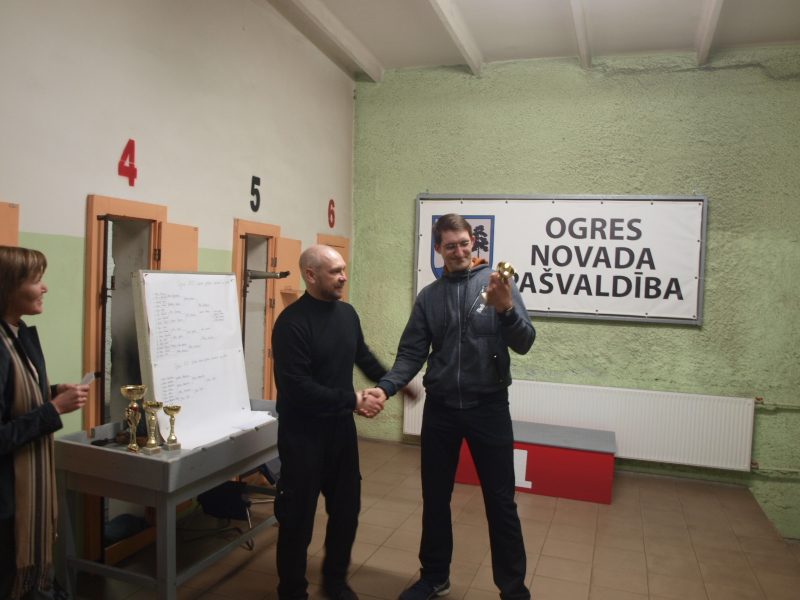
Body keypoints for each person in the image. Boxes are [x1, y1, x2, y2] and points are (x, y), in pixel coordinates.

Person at [365, 214, 536, 600]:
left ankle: (513, 590)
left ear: (473, 244)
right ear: (438, 249)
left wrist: (507, 309)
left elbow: (525, 342)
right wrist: (386, 388)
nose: (458, 251)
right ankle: (435, 577)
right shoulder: (429, 297)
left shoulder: (498, 285)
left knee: (500, 502)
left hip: (489, 408)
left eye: (464, 244)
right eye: (450, 246)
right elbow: (411, 354)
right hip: (441, 410)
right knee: (435, 498)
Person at [271, 244, 387, 600]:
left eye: (343, 269)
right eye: (335, 271)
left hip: (340, 433)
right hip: (303, 436)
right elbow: (298, 389)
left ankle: (335, 583)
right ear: (311, 275)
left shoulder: (347, 314)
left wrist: (389, 384)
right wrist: (354, 400)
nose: (343, 277)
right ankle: (292, 591)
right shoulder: (291, 324)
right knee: (297, 519)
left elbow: (362, 355)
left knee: (346, 512)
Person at [0, 246, 88, 599]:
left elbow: (11, 400)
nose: (45, 288)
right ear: (8, 287)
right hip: (7, 500)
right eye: (36, 280)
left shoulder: (16, 333)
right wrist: (52, 410)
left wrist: (51, 392)